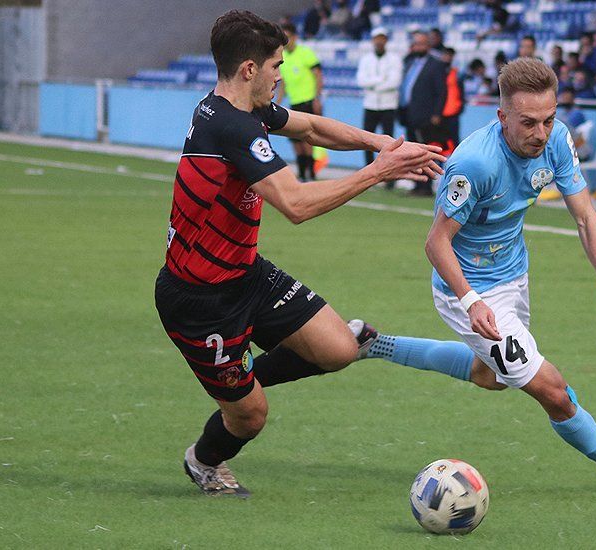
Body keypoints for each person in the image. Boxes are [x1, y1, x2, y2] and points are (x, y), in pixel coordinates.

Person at [154, 10, 444, 497]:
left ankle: (242, 377)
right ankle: (204, 461)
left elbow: (309, 128)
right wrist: (379, 171)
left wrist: (382, 142)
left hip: (246, 275)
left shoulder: (237, 111)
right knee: (250, 417)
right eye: (276, 66)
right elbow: (296, 204)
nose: (281, 76)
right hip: (199, 301)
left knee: (340, 351)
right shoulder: (231, 127)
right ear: (250, 69)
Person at [351, 58, 596, 496]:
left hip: (515, 272)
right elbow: (436, 244)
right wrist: (470, 300)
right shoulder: (474, 165)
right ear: (502, 117)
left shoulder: (555, 139)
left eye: (548, 120)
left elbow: (585, 216)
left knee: (491, 376)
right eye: (529, 123)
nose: (540, 133)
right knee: (552, 390)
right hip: (469, 287)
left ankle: (374, 342)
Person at [399, 31, 448, 195]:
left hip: (425, 115)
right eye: (416, 44)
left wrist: (437, 114)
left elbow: (441, 92)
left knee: (425, 152)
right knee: (412, 151)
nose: (418, 47)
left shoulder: (436, 64)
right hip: (409, 113)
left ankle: (426, 185)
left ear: (428, 46)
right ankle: (416, 183)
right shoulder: (409, 62)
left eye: (422, 44)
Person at [276, 23, 323, 181]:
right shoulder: (283, 58)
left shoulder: (306, 53)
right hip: (294, 104)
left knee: (307, 140)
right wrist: (279, 102)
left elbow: (318, 75)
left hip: (308, 102)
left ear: (295, 37)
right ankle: (302, 174)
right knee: (296, 141)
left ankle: (311, 172)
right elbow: (283, 84)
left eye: (288, 37)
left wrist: (317, 98)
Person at [356, 27, 403, 168]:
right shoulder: (366, 59)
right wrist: (381, 80)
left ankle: (388, 171)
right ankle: (369, 170)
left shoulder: (394, 59)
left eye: (382, 38)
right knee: (366, 140)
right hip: (370, 105)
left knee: (389, 142)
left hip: (388, 105)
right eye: (377, 38)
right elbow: (361, 81)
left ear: (386, 40)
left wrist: (373, 84)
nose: (379, 41)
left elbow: (394, 82)